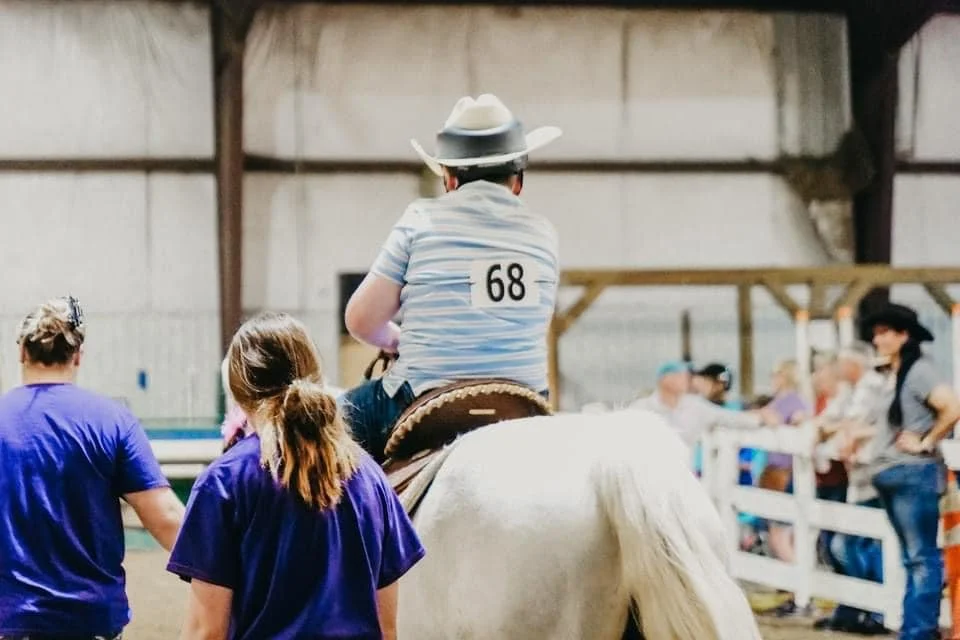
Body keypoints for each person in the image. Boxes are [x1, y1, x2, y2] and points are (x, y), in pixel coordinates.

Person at [167, 312, 425, 640]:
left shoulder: (224, 483)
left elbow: (206, 632)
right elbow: (387, 629)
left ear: (238, 390)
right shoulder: (371, 478)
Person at [339, 94, 562, 461]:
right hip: (527, 400)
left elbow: (360, 320)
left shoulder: (419, 220)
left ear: (449, 179)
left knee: (318, 431)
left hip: (425, 397)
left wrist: (395, 341)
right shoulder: (544, 233)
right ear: (517, 179)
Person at [0, 296, 184, 640]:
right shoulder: (112, 420)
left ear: (22, 351)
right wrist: (232, 570)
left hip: (11, 622)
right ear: (78, 356)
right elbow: (167, 518)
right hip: (90, 623)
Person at [865, 302, 960, 640]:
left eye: (884, 333)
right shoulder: (899, 372)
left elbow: (952, 406)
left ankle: (919, 631)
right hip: (898, 473)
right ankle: (917, 629)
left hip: (911, 472)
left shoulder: (920, 371)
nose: (878, 340)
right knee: (916, 558)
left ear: (903, 335)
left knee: (920, 558)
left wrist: (925, 441)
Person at [630, 360, 779, 471]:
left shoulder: (696, 406)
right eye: (680, 376)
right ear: (665, 379)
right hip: (649, 473)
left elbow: (729, 418)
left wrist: (760, 418)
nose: (688, 380)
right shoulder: (642, 409)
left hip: (684, 474)